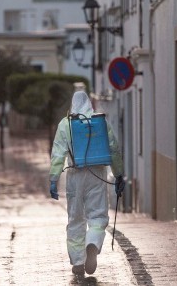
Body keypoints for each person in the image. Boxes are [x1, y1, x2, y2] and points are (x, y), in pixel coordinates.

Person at [49, 91, 125, 276]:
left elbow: (58, 153)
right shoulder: (100, 122)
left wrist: (54, 179)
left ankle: (77, 261)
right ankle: (93, 242)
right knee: (97, 216)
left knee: (75, 218)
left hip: (75, 175)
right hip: (97, 173)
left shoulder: (65, 124)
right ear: (89, 103)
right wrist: (118, 174)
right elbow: (113, 149)